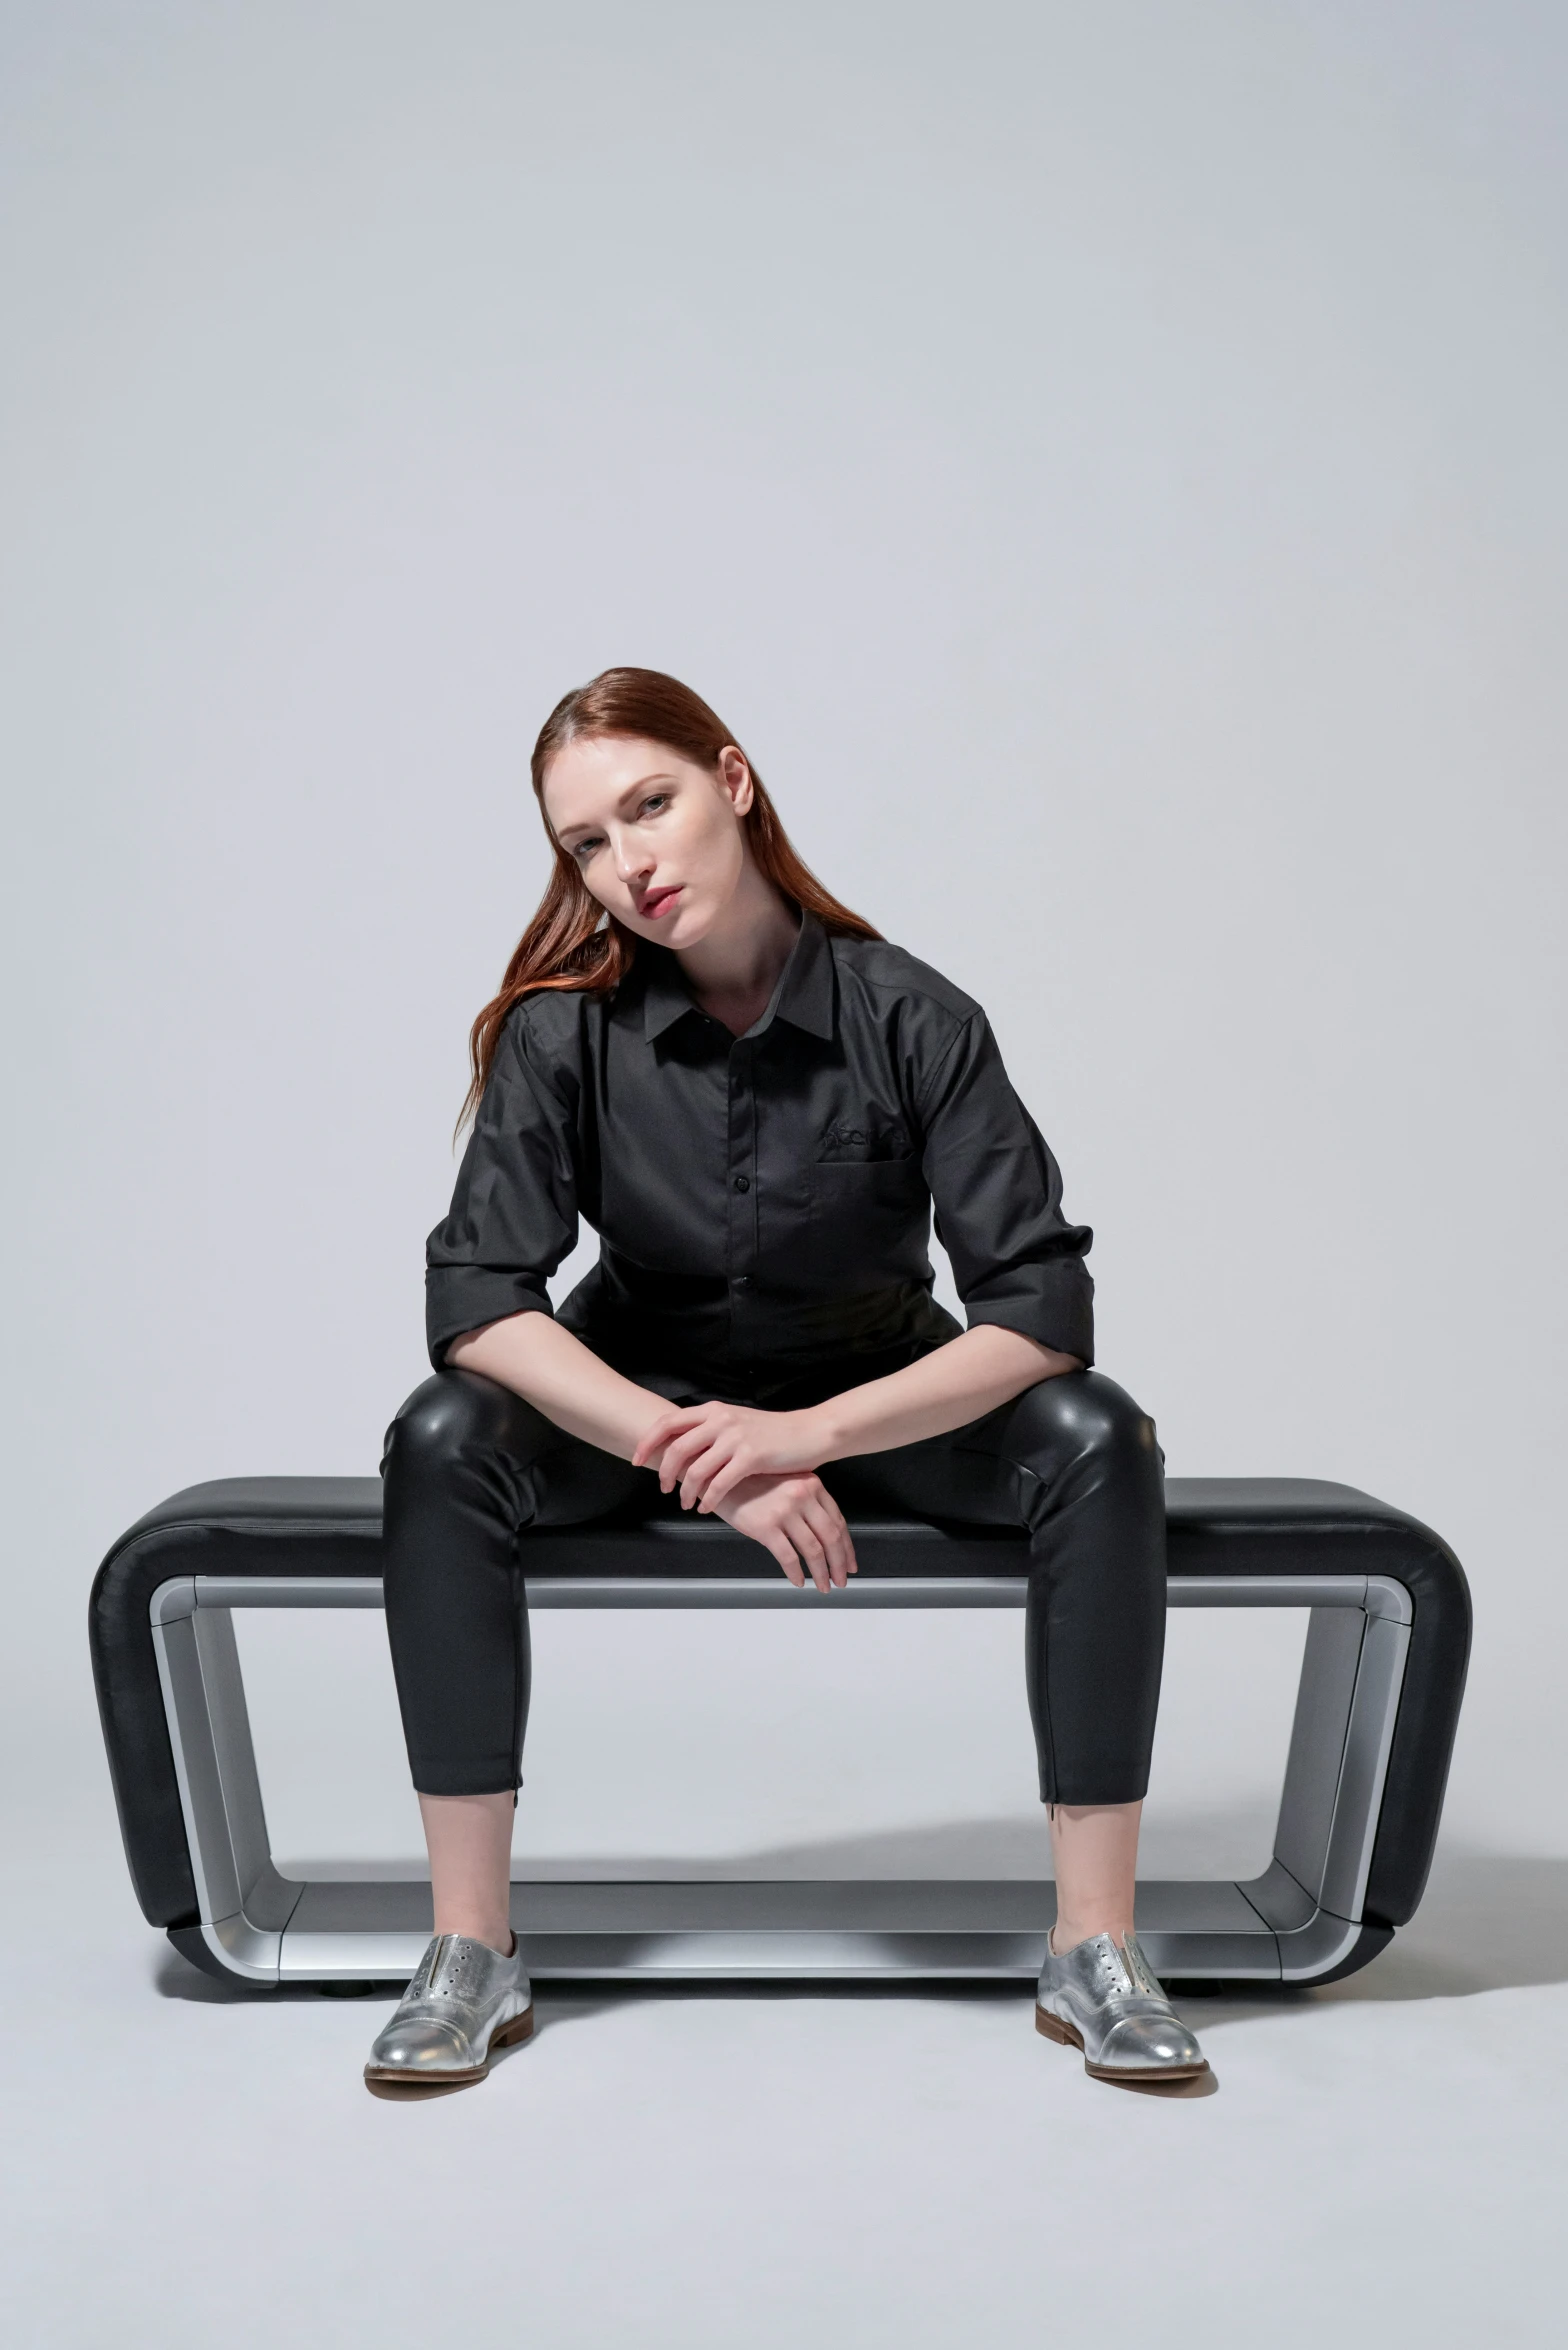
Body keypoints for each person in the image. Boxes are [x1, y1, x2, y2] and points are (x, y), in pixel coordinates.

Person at [363, 666, 1208, 2095]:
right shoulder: (564, 1031)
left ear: (732, 782)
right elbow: (475, 1304)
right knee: (441, 1432)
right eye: (585, 840)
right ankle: (468, 1946)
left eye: (651, 804)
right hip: (637, 1407)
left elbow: (1041, 1311)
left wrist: (798, 1435)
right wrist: (693, 1449)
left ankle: (1095, 1945)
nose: (627, 861)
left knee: (1098, 1435)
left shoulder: (913, 1014)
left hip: (878, 1399)